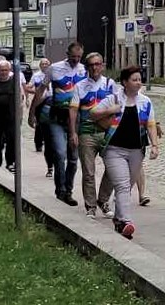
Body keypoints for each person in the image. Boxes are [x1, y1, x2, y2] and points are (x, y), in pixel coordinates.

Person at [91, 65, 159, 239]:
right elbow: (93, 114)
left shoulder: (145, 101)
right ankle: (127, 221)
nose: (138, 83)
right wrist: (109, 111)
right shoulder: (113, 98)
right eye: (134, 80)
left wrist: (155, 145)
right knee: (121, 185)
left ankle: (119, 220)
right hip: (114, 149)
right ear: (125, 82)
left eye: (139, 80)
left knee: (126, 187)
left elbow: (151, 124)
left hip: (137, 150)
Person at [30, 42, 87, 206]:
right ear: (66, 54)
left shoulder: (83, 70)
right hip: (57, 117)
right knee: (60, 154)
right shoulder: (54, 68)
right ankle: (60, 190)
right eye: (73, 56)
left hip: (76, 119)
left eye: (79, 57)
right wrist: (33, 112)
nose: (76, 60)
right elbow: (41, 90)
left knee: (74, 159)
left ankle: (68, 190)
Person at [69, 53, 115, 219]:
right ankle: (90, 205)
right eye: (91, 65)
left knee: (112, 168)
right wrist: (73, 132)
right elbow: (73, 110)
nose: (94, 67)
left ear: (102, 65)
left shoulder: (110, 84)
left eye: (97, 64)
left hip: (107, 133)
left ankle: (103, 200)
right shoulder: (80, 86)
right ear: (87, 67)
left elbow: (119, 105)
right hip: (86, 133)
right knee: (89, 171)